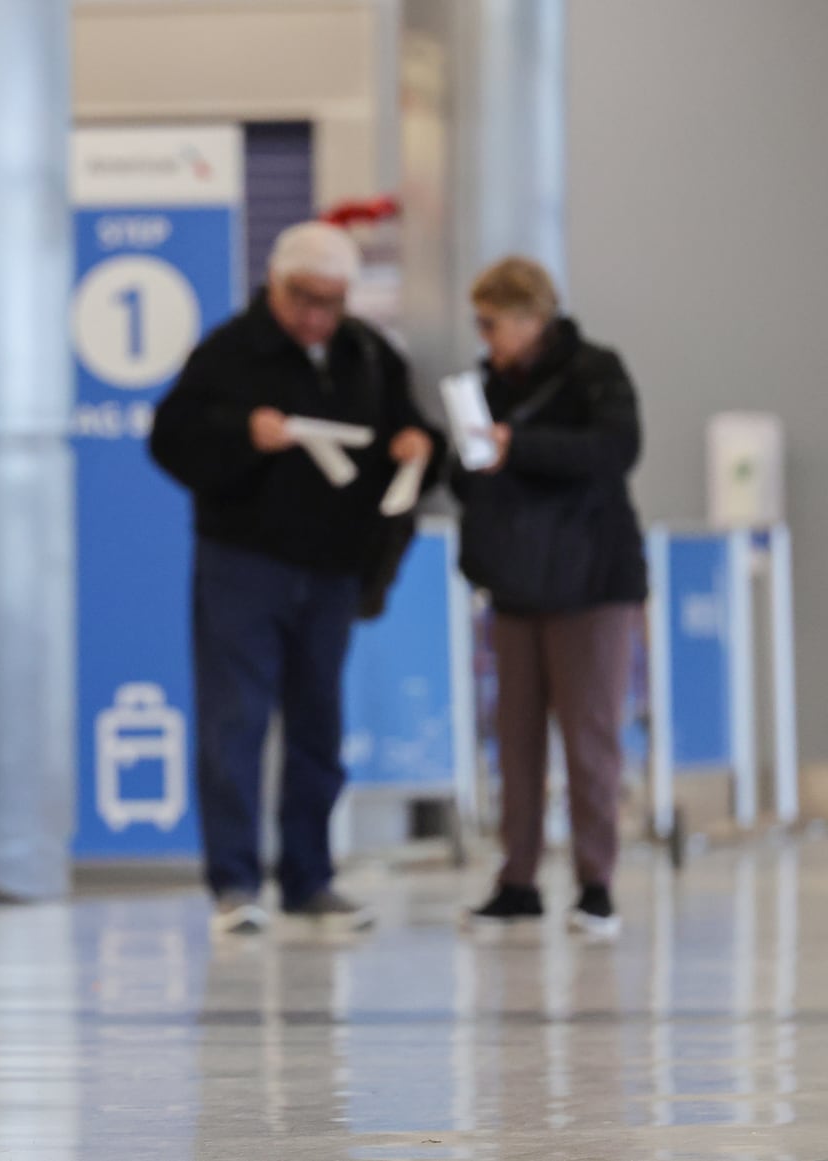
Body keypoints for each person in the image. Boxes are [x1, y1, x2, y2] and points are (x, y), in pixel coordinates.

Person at [149, 222, 443, 936]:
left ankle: (310, 878)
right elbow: (170, 439)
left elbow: (412, 439)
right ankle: (236, 881)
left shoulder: (367, 355)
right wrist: (243, 436)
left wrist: (418, 448)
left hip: (333, 570)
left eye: (332, 301)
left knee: (319, 727)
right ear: (274, 286)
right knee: (235, 722)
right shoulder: (228, 352)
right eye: (304, 297)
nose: (316, 315)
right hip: (242, 565)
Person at [453, 256, 645, 940]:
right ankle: (518, 877)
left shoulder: (595, 370)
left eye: (492, 322)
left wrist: (521, 446)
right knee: (516, 737)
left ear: (532, 317)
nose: (484, 337)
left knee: (589, 734)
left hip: (592, 581)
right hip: (515, 583)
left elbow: (616, 448)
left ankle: (597, 882)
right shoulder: (483, 385)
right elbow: (467, 477)